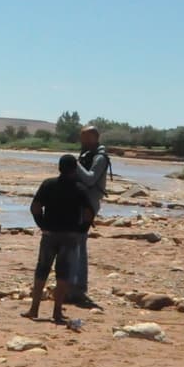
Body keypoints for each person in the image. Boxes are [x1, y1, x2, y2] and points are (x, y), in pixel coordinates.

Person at [23, 154, 94, 324]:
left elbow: (35, 208)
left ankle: (34, 309)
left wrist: (42, 225)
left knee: (42, 270)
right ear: (75, 169)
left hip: (50, 234)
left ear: (59, 167)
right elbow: (89, 213)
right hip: (70, 236)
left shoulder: (48, 184)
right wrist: (82, 230)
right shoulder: (80, 188)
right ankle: (57, 312)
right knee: (63, 273)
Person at [71, 125, 110, 305]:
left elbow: (90, 178)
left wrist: (74, 164)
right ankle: (73, 284)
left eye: (85, 138)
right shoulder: (88, 153)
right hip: (79, 202)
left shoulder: (100, 157)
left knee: (79, 243)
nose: (82, 141)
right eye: (82, 137)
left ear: (95, 138)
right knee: (75, 242)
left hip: (88, 204)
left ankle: (79, 287)